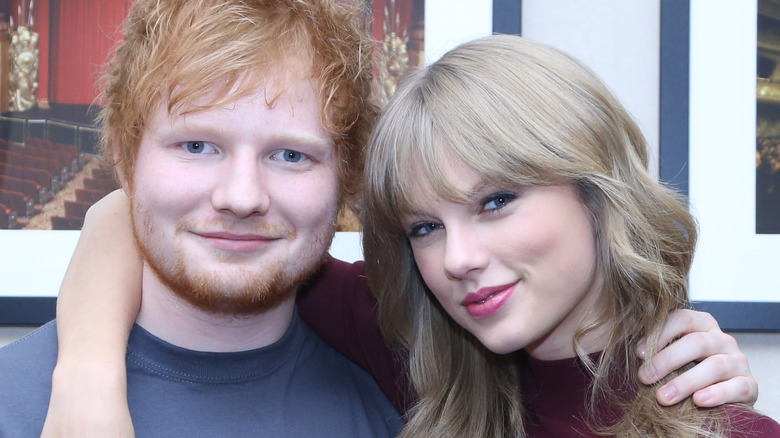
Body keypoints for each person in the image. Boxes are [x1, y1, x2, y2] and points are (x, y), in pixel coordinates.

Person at [0, 0, 404, 437]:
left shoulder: (405, 402)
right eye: (196, 146)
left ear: (346, 176)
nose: (241, 197)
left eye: (290, 155)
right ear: (124, 158)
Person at [360, 34, 780, 437]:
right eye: (426, 228)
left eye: (495, 201)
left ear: (594, 193)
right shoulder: (429, 374)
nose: (456, 259)